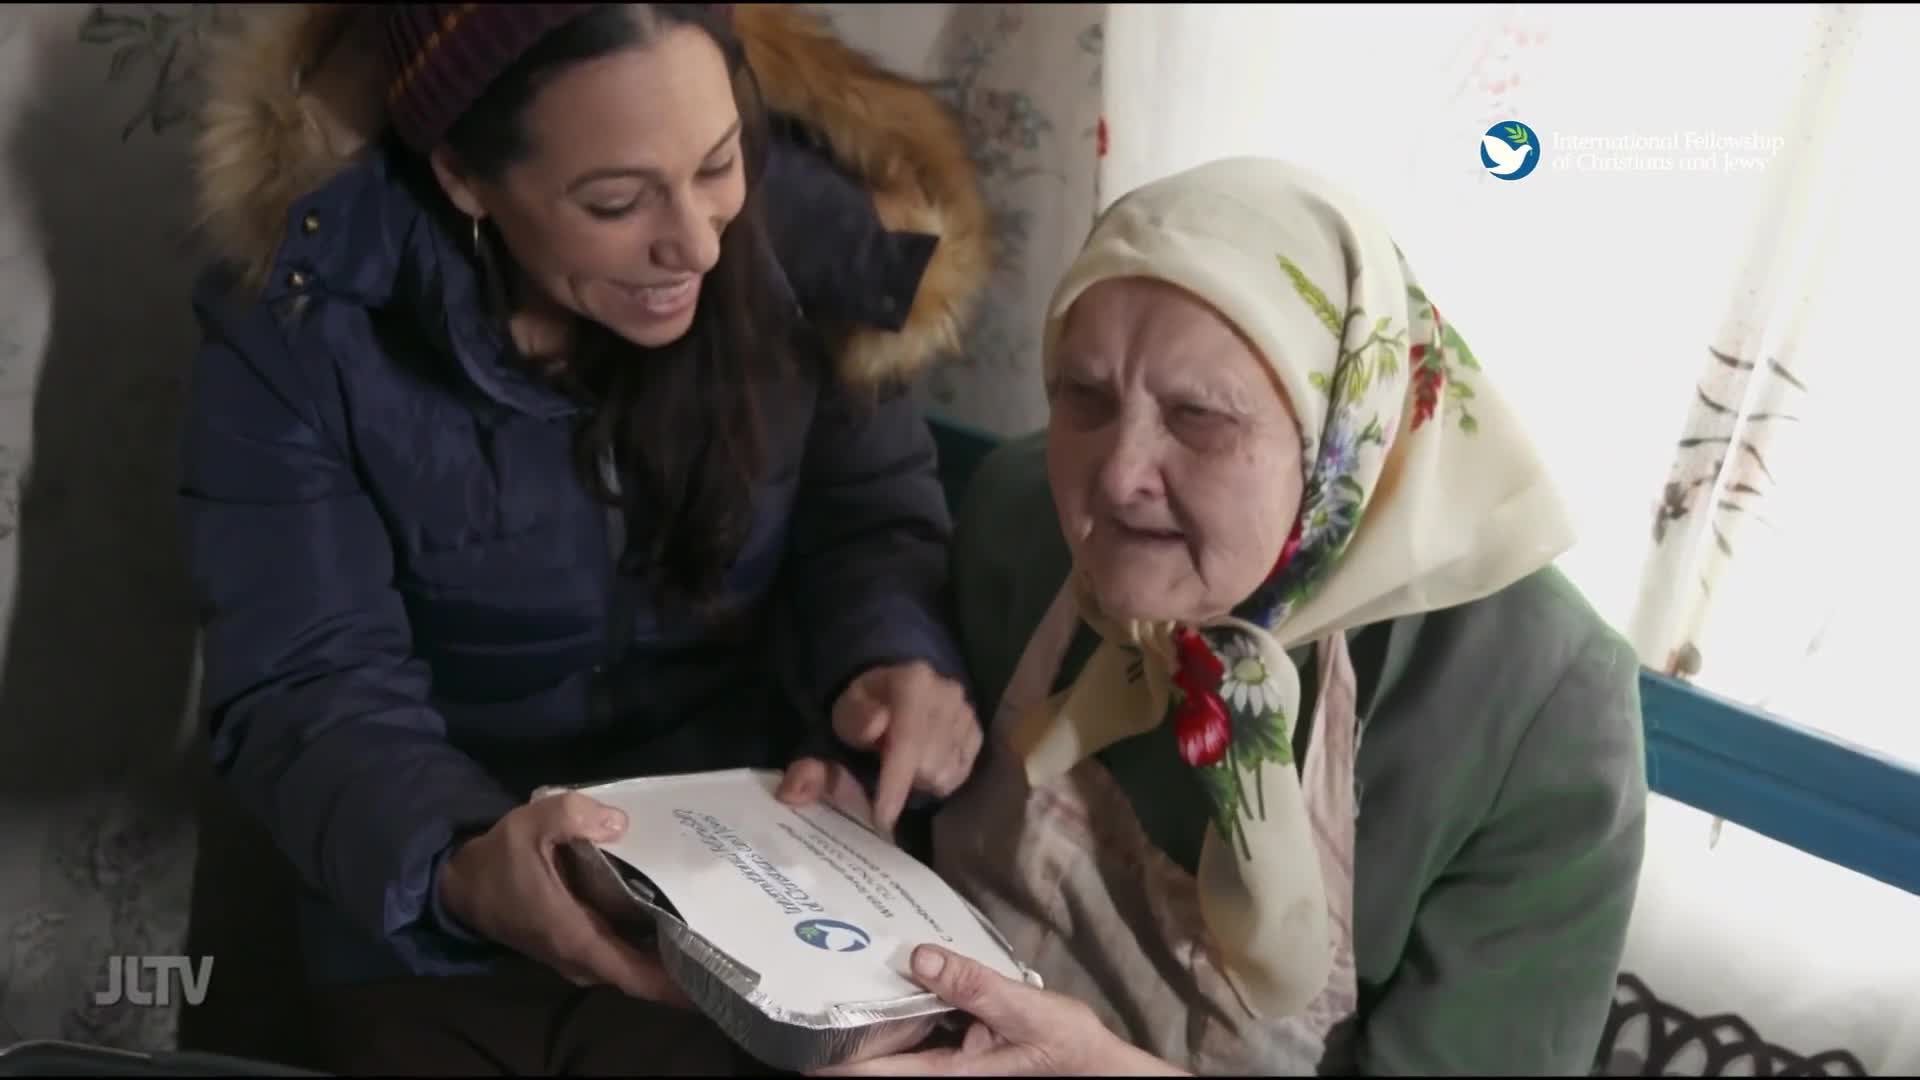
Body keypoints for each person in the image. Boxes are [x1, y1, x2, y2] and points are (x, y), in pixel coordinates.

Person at [179, 3, 990, 1073]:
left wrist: (893, 659)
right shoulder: (299, 326)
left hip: (758, 885)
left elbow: (870, 519)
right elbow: (308, 682)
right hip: (433, 912)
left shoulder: (815, 243)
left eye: (718, 164)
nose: (697, 240)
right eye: (615, 201)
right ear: (465, 177)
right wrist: (460, 866)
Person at [815, 158, 1650, 1077]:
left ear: (1340, 428)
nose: (1120, 472)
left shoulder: (1537, 701)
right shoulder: (1021, 512)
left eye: (1200, 416)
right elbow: (925, 828)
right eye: (1084, 397)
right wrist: (857, 821)